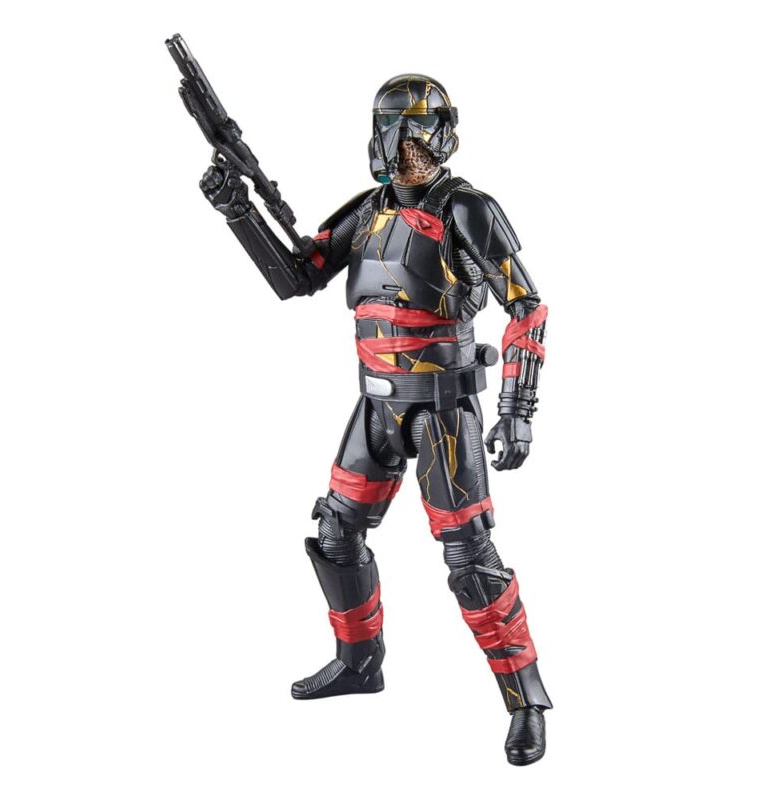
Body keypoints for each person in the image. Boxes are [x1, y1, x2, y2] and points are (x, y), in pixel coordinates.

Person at [198, 74, 552, 766]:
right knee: (336, 533)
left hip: (443, 411)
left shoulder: (467, 209)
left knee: (470, 559)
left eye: (413, 132)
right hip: (375, 408)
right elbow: (298, 275)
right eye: (390, 130)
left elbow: (527, 308)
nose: (399, 147)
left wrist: (517, 411)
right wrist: (238, 211)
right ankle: (360, 663)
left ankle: (526, 702)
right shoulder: (369, 210)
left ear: (441, 136)